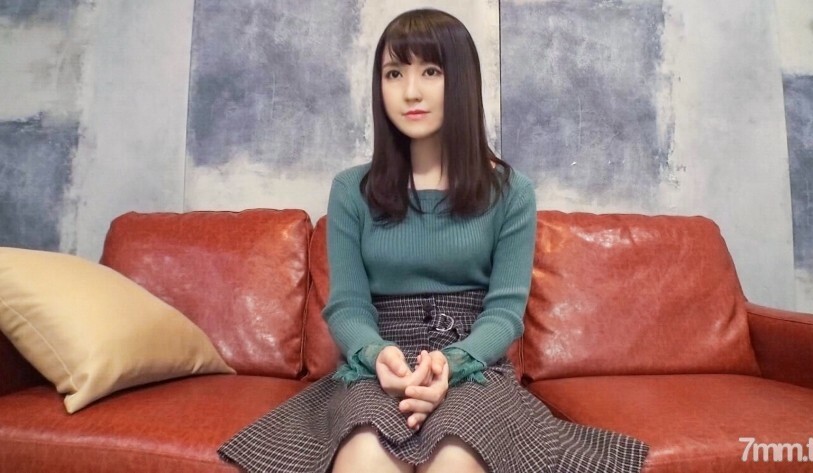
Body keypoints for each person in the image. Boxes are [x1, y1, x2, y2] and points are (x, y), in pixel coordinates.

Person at [219, 9, 648, 473]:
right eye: (394, 73)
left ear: (461, 81)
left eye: (430, 71)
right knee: (364, 453)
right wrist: (378, 356)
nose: (410, 91)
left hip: (473, 365)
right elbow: (347, 307)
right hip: (376, 367)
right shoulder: (350, 190)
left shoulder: (511, 192)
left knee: (455, 456)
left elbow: (505, 312)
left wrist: (452, 363)